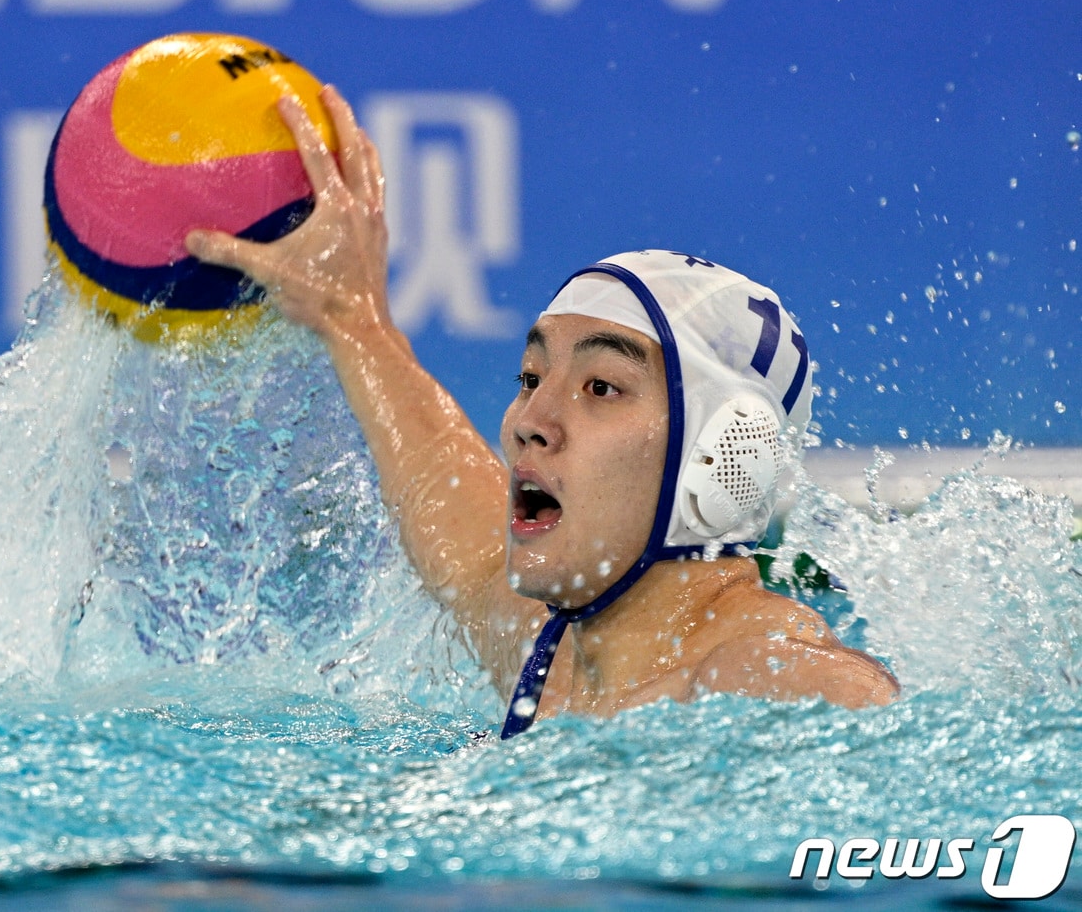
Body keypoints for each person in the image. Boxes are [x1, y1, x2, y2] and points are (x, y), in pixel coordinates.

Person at [185, 87, 898, 737]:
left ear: (723, 458)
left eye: (600, 388)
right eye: (530, 376)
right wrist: (352, 316)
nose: (531, 418)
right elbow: (445, 495)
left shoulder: (781, 680)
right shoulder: (553, 652)